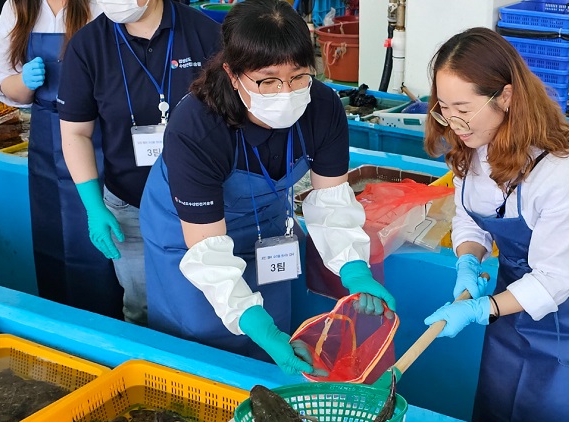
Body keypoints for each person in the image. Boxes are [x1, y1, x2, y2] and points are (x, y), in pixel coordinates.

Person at [139, 0, 394, 375]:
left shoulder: (323, 108)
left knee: (277, 339)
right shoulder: (197, 125)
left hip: (267, 231)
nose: (285, 92)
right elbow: (206, 247)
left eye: (299, 76)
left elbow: (330, 201)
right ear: (232, 73)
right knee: (207, 338)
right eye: (267, 80)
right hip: (189, 237)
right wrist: (252, 321)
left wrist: (354, 268)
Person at [422, 28, 569, 422]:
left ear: (506, 97)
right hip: (512, 315)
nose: (453, 124)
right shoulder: (473, 148)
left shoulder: (566, 172)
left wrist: (482, 310)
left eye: (463, 109)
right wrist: (467, 261)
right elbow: (469, 216)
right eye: (443, 110)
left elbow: (555, 279)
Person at [58, 0, 220, 324]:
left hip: (204, 205)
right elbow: (76, 132)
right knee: (141, 308)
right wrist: (93, 206)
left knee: (208, 305)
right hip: (129, 207)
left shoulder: (206, 34)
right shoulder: (87, 46)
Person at [0, 0, 125, 317]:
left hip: (99, 132)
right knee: (51, 239)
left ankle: (110, 324)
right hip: (46, 139)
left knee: (105, 246)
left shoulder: (102, 5)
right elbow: (5, 80)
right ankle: (59, 321)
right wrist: (23, 82)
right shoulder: (18, 7)